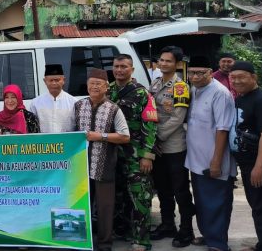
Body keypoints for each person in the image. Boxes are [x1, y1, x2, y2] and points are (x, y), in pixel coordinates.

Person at [74, 68, 130, 251]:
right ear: (87, 86)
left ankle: (105, 244)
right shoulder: (78, 106)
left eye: (98, 84)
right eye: (91, 83)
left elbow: (125, 136)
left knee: (105, 208)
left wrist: (100, 136)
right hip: (80, 168)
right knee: (81, 205)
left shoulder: (114, 109)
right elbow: (70, 132)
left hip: (104, 166)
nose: (94, 87)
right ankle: (82, 243)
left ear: (106, 87)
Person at [186, 56, 236, 251]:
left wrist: (216, 161)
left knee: (217, 203)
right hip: (196, 159)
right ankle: (208, 235)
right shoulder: (194, 90)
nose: (195, 77)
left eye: (200, 73)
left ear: (210, 73)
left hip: (213, 160)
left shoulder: (220, 93)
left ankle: (218, 244)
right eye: (192, 73)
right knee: (202, 202)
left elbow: (223, 129)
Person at [148, 46, 196, 247]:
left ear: (177, 64)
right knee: (163, 189)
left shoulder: (181, 87)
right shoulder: (155, 83)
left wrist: (156, 137)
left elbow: (178, 118)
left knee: (180, 190)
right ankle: (168, 224)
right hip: (157, 146)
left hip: (174, 146)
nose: (163, 63)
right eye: (161, 60)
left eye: (168, 61)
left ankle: (186, 230)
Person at [109, 54, 157, 251]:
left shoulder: (142, 93)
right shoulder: (108, 90)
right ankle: (125, 230)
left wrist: (147, 155)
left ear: (132, 69)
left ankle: (142, 240)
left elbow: (151, 126)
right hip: (113, 154)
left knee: (140, 196)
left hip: (136, 155)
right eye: (116, 66)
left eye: (124, 67)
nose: (119, 70)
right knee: (119, 196)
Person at [229, 61, 262, 251]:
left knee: (261, 206)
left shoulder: (261, 101)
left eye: (241, 77)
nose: (236, 81)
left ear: (253, 77)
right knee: (257, 204)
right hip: (246, 162)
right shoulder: (242, 97)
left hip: (258, 163)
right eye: (233, 77)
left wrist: (259, 167)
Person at [29, 64, 77, 133]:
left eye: (57, 80)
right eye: (51, 80)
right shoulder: (35, 103)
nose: (54, 83)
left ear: (63, 80)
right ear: (45, 81)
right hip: (44, 139)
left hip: (67, 139)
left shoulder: (73, 102)